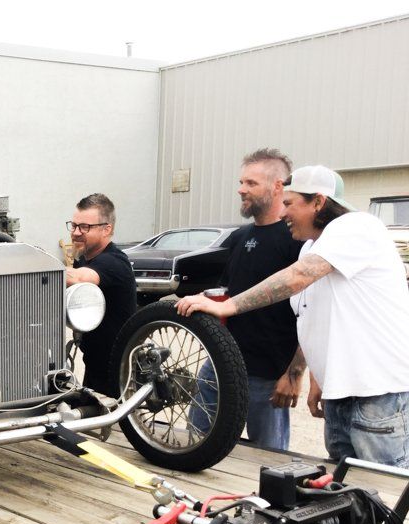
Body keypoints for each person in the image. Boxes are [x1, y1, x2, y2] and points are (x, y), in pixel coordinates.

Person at [178, 166, 409, 467]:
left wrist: (229, 305)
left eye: (290, 204)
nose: (284, 213)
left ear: (318, 202)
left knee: (385, 493)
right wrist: (316, 376)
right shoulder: (312, 246)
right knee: (346, 494)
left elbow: (298, 277)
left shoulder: (357, 226)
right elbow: (313, 317)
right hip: (343, 394)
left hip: (377, 393)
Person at [191, 148, 305, 450]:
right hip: (220, 363)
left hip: (269, 375)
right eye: (241, 182)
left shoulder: (296, 240)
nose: (241, 189)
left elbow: (310, 311)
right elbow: (222, 292)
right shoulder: (240, 237)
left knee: (267, 462)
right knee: (194, 443)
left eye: (251, 183)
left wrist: (292, 374)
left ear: (278, 186)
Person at [64, 193, 137, 395]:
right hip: (95, 362)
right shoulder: (84, 259)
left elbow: (79, 279)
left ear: (107, 229)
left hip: (117, 369)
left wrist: (37, 266)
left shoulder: (113, 262)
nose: (76, 232)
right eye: (74, 225)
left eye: (85, 227)